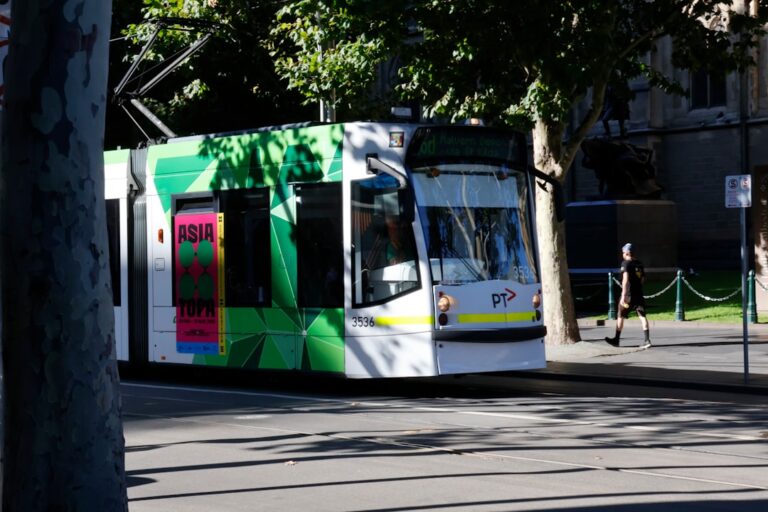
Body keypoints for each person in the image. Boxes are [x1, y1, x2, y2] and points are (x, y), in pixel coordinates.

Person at [605, 242, 652, 348]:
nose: (622, 254)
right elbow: (642, 279)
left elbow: (625, 280)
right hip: (638, 294)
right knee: (642, 316)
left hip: (629, 295)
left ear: (626, 253)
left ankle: (616, 339)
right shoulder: (639, 264)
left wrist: (623, 295)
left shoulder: (625, 264)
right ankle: (647, 340)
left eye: (623, 252)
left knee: (620, 315)